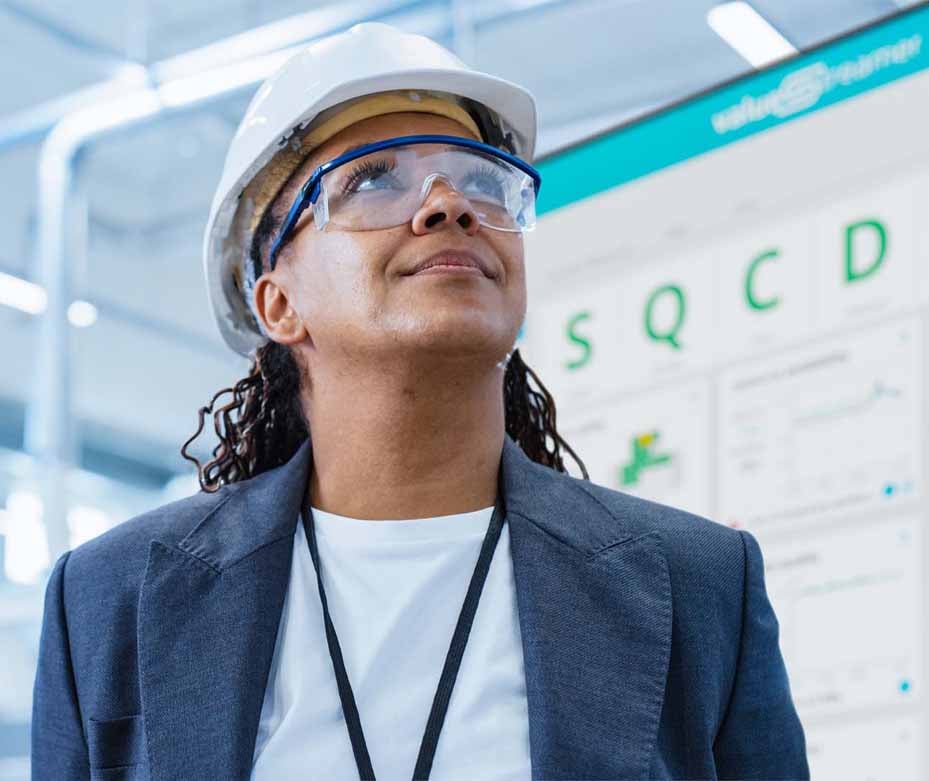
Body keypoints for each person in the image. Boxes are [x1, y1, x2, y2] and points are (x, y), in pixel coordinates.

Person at [30, 21, 809, 781]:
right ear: (278, 304)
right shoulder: (108, 601)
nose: (449, 204)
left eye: (482, 181)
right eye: (373, 178)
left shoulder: (702, 587)